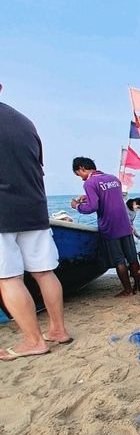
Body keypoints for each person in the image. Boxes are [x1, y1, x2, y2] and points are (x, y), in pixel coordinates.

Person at [0, 85, 72, 360]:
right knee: (44, 272)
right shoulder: (25, 122)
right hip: (34, 207)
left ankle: (33, 341)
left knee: (8, 278)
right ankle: (58, 330)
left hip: (3, 212)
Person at [71, 157, 140, 295]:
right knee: (132, 257)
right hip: (124, 222)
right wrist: (88, 197)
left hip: (109, 225)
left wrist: (77, 206)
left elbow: (93, 206)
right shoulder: (113, 178)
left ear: (81, 168)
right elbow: (110, 197)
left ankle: (127, 290)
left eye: (79, 175)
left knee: (119, 260)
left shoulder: (90, 183)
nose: (81, 179)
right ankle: (138, 287)